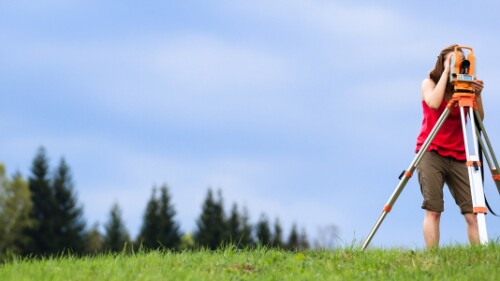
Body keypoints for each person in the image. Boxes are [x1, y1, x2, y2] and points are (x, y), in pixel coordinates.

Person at [415, 44, 485, 249]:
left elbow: (479, 119)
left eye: (460, 60)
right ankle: (432, 258)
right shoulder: (428, 83)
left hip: (458, 154)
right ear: (442, 62)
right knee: (434, 209)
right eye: (452, 60)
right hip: (431, 151)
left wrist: (477, 95)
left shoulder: (466, 89)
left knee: (472, 212)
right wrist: (447, 72)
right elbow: (434, 103)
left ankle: (480, 255)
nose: (457, 63)